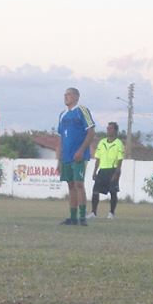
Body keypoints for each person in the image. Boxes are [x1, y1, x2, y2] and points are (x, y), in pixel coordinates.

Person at [57, 87, 95, 225]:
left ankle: (82, 217)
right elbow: (60, 138)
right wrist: (59, 159)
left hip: (79, 155)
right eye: (65, 94)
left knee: (79, 184)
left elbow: (91, 132)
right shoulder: (62, 115)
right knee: (71, 184)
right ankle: (73, 218)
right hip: (66, 156)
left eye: (68, 94)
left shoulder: (82, 110)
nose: (65, 97)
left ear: (76, 97)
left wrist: (81, 150)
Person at [89, 121, 124, 219]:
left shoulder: (119, 143)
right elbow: (98, 158)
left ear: (115, 131)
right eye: (107, 129)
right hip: (102, 170)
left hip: (113, 170)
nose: (108, 130)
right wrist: (95, 171)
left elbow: (120, 159)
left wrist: (117, 172)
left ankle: (111, 213)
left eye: (110, 128)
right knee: (95, 190)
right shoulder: (102, 142)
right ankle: (93, 213)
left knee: (113, 192)